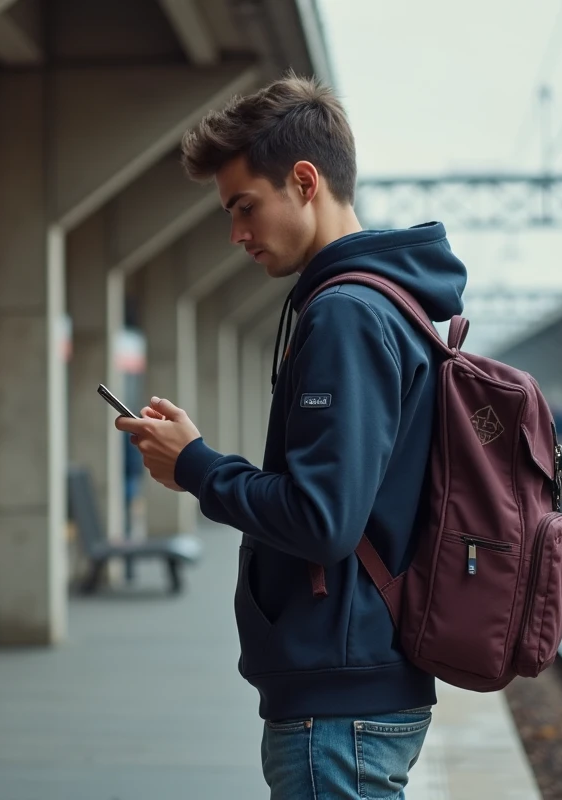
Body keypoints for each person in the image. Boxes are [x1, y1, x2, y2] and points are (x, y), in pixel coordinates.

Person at [114, 74, 467, 799]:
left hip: (338, 705)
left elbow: (322, 519)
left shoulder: (347, 315)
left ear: (304, 182)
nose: (237, 234)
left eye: (245, 207)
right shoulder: (384, 304)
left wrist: (197, 467)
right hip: (356, 683)